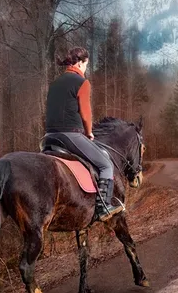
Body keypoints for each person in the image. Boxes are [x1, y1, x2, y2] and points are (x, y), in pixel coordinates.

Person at [45, 47, 124, 221]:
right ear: (81, 62)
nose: (86, 68)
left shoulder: (55, 83)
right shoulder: (81, 82)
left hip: (49, 137)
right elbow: (86, 113)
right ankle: (104, 207)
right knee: (105, 165)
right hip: (70, 135)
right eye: (86, 64)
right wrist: (88, 133)